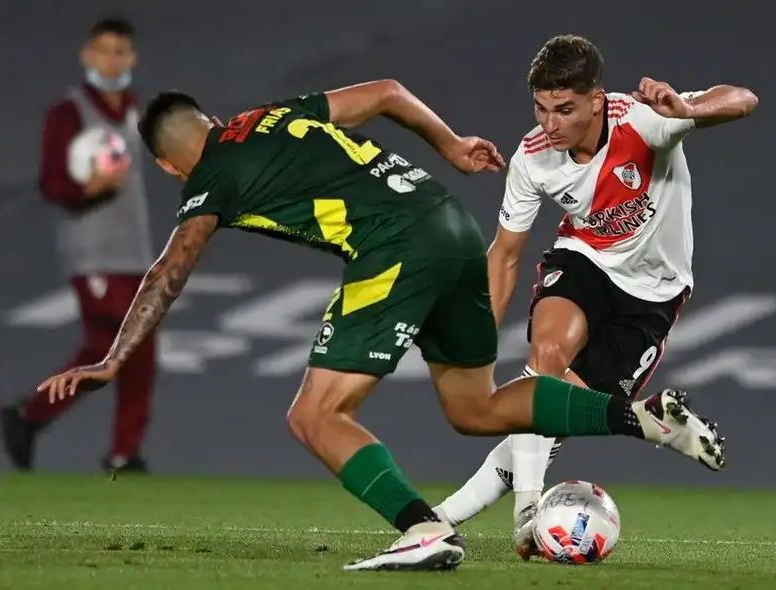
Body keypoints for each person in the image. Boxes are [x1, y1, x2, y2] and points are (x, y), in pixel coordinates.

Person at [36, 78, 725, 572]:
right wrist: (450, 144)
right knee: (475, 407)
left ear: (165, 164)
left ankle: (422, 528)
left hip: (394, 248)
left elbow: (169, 268)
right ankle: (640, 419)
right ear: (211, 119)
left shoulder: (209, 175)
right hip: (452, 227)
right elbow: (389, 92)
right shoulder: (275, 116)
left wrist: (112, 359)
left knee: (315, 415)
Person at [432, 34, 757, 559]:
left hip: (653, 294)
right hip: (585, 260)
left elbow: (743, 98)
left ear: (596, 100)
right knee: (546, 353)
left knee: (553, 418)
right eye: (541, 108)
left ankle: (442, 518)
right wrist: (478, 337)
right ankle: (528, 513)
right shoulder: (533, 158)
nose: (549, 124)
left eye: (564, 109)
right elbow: (505, 254)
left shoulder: (645, 121)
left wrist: (689, 110)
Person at [1, 17, 158, 473]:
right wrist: (89, 188)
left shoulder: (136, 111)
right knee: (122, 342)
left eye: (120, 51)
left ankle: (38, 420)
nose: (112, 60)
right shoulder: (69, 113)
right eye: (103, 50)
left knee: (121, 350)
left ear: (132, 58)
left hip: (135, 251)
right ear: (86, 55)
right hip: (93, 253)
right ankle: (116, 450)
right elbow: (51, 183)